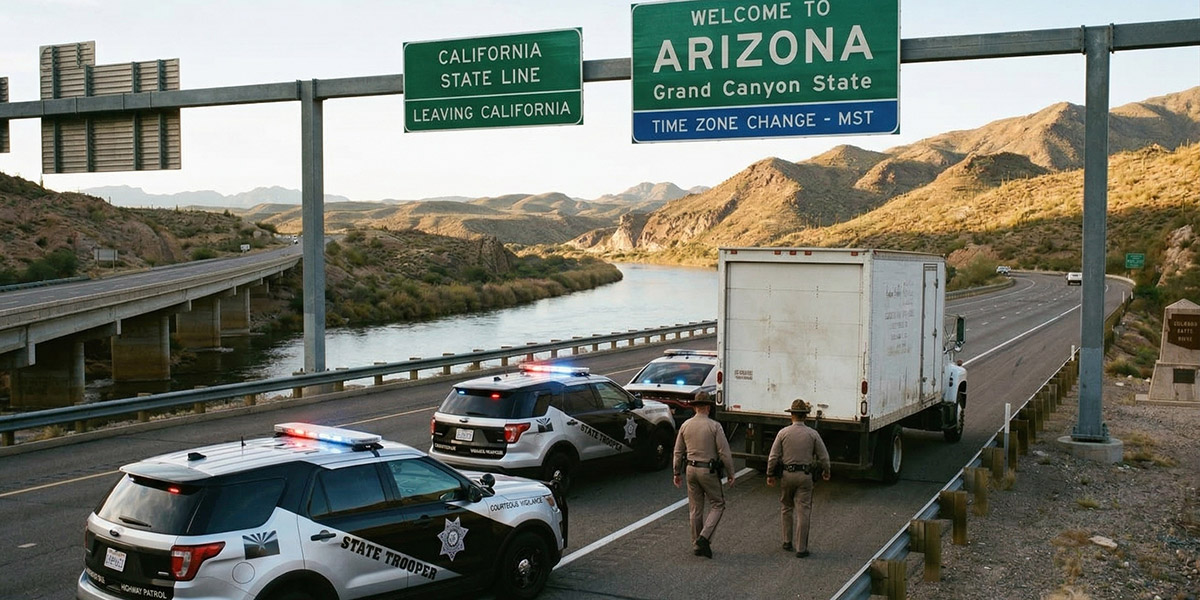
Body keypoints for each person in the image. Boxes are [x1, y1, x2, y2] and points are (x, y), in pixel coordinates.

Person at [672, 391, 735, 558]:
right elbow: (724, 452)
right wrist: (730, 473)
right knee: (718, 504)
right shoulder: (714, 426)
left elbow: (678, 451)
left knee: (695, 508)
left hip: (690, 469)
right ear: (708, 407)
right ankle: (704, 537)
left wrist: (676, 472)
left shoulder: (686, 425)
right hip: (708, 470)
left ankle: (696, 545)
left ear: (695, 408)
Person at [766, 398, 831, 558]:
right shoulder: (812, 434)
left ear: (792, 415)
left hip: (787, 475)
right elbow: (824, 456)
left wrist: (770, 474)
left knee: (786, 507)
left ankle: (787, 541)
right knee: (803, 510)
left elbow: (773, 456)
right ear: (806, 416)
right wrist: (826, 470)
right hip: (805, 476)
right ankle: (801, 548)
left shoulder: (783, 433)